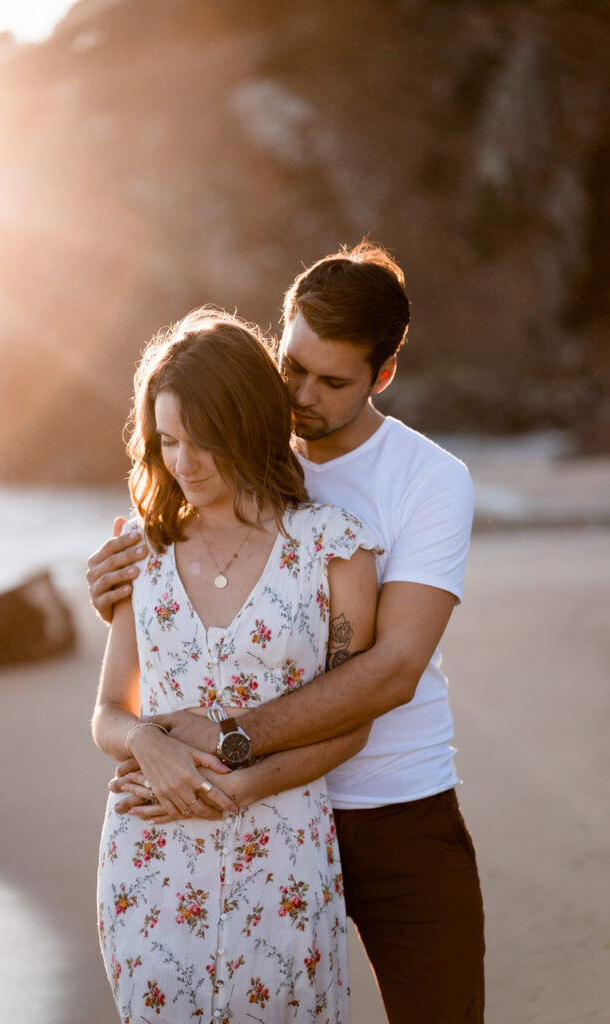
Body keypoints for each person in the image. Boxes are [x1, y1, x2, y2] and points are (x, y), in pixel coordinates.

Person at [88, 243, 485, 1023]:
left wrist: (230, 743)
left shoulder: (426, 481)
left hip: (390, 805)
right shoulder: (225, 451)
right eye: (290, 364)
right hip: (218, 822)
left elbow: (393, 669)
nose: (300, 394)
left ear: (383, 376)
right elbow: (165, 591)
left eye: (331, 381)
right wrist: (115, 588)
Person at [91, 308, 380, 1024]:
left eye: (202, 442)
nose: (182, 464)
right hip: (151, 851)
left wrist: (242, 787)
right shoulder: (141, 551)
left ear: (248, 425)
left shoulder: (331, 547)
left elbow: (350, 723)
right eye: (167, 442)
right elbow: (108, 711)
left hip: (282, 845)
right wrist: (148, 745)